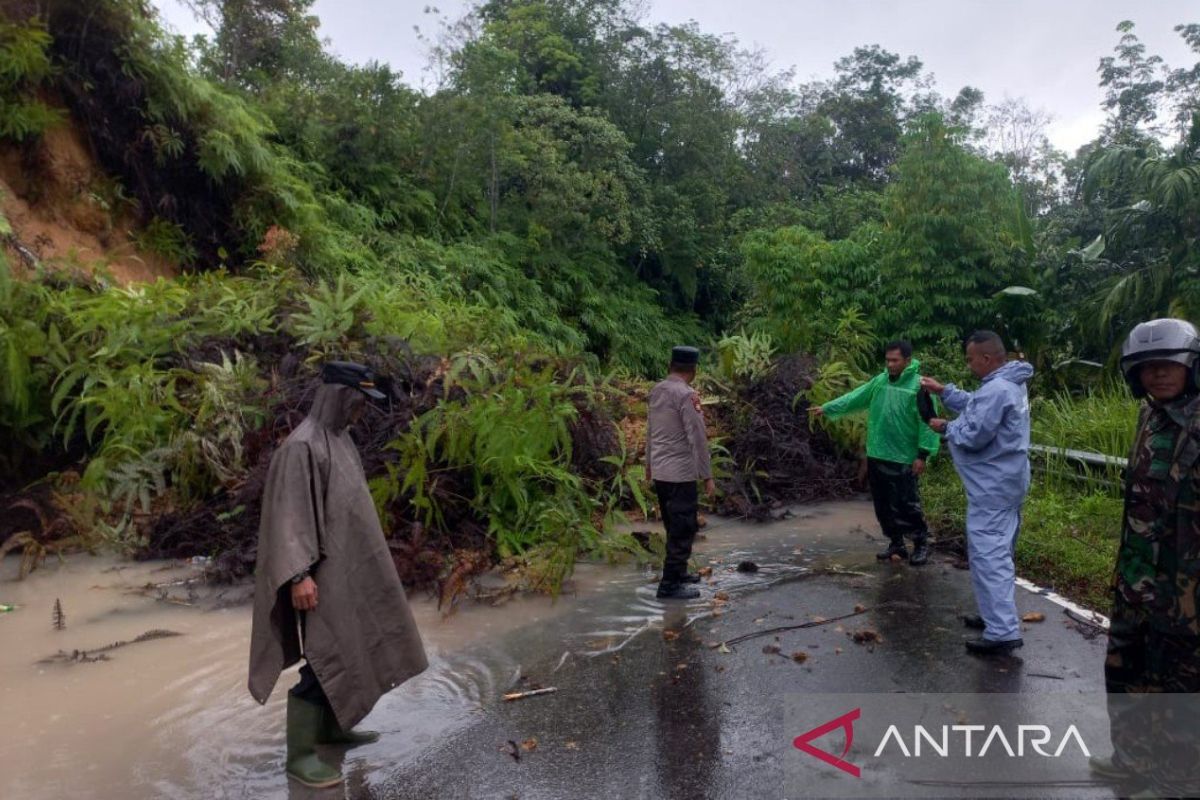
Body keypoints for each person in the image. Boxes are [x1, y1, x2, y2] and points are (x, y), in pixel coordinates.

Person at [249, 361, 428, 788]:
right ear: (338, 396)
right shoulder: (302, 447)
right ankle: (300, 757)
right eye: (358, 402)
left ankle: (331, 730)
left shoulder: (339, 440)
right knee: (322, 659)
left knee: (351, 648)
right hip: (315, 579)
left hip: (344, 572)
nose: (361, 412)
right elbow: (288, 519)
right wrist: (298, 577)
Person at [1089, 318, 1200, 798]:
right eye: (1148, 367)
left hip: (1186, 585)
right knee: (1127, 667)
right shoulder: (1150, 417)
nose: (1158, 375)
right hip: (1137, 576)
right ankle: (1132, 759)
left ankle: (1178, 779)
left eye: (1169, 365)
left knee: (1181, 685)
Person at [921, 331, 1033, 655]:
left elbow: (973, 433)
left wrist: (945, 427)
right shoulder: (1010, 383)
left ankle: (1002, 631)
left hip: (993, 488)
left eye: (970, 359)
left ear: (986, 359)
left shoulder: (998, 389)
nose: (969, 365)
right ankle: (993, 616)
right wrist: (946, 392)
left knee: (989, 557)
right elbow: (977, 405)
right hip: (1009, 482)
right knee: (1000, 551)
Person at [811, 340, 941, 566]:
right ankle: (896, 543)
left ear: (907, 361)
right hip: (878, 452)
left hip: (904, 456)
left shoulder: (919, 387)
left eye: (895, 360)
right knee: (883, 504)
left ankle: (921, 544)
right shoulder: (880, 382)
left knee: (907, 504)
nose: (890, 364)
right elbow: (857, 397)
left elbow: (928, 422)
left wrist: (922, 455)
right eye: (888, 360)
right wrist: (829, 407)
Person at [646, 346, 715, 600]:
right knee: (684, 527)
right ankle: (669, 586)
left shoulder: (657, 390)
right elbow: (697, 437)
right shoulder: (687, 395)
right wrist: (707, 475)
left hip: (661, 472)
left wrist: (649, 467)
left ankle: (679, 573)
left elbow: (650, 430)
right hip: (680, 473)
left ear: (670, 366)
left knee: (672, 525)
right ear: (693, 370)